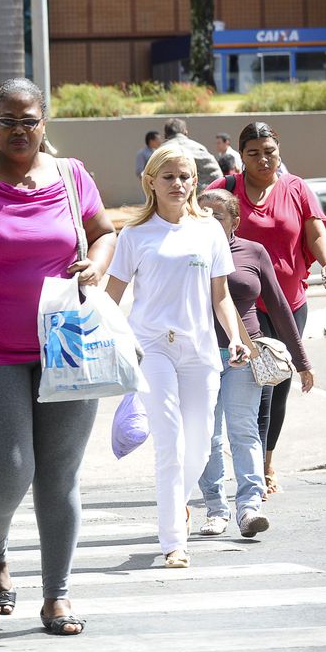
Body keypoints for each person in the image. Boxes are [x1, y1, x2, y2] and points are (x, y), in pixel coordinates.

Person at [0, 78, 116, 636]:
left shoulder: (71, 175)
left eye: (28, 120)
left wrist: (99, 263)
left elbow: (104, 233)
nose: (18, 130)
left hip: (67, 341)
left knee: (58, 476)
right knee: (8, 469)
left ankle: (57, 596)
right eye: (7, 120)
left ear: (44, 121)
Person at [105, 144, 250, 570]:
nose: (178, 184)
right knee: (169, 443)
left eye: (185, 177)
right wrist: (111, 340)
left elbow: (220, 296)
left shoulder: (208, 232)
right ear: (151, 181)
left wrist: (236, 338)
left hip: (201, 349)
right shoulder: (133, 235)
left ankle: (177, 507)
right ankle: (173, 540)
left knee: (201, 445)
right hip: (151, 348)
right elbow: (112, 297)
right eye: (168, 177)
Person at [207, 121, 326, 494]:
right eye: (254, 153)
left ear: (279, 151)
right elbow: (192, 220)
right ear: (240, 157)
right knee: (254, 389)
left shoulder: (296, 188)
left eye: (270, 151)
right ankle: (252, 469)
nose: (263, 159)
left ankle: (266, 461)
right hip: (241, 305)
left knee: (278, 385)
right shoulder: (225, 189)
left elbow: (316, 231)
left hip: (288, 302)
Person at [195, 189, 312, 539]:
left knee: (243, 428)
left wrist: (302, 360)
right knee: (208, 435)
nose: (209, 221)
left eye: (217, 215)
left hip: (243, 354)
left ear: (234, 220)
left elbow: (278, 305)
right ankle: (215, 509)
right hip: (198, 356)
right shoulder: (187, 253)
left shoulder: (253, 251)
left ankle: (249, 508)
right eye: (202, 214)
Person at [162, 118, 221, 187]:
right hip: (201, 195)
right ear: (186, 133)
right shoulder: (199, 148)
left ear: (165, 135)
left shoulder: (160, 152)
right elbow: (217, 176)